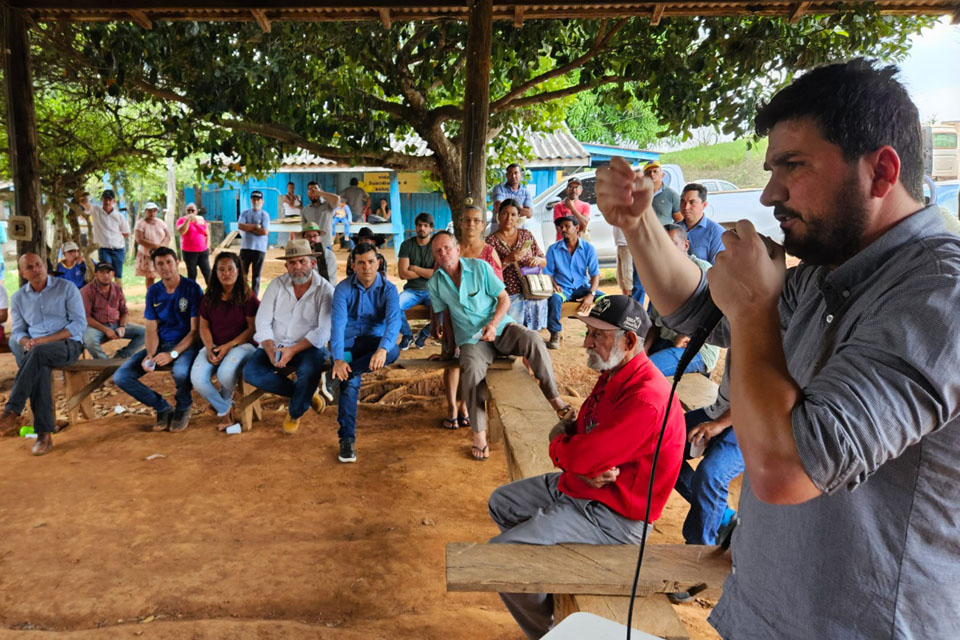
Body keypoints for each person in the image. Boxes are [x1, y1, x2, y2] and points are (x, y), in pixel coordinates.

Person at [595, 59, 960, 639]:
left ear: (882, 171)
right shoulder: (831, 272)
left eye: (793, 166)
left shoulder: (940, 294)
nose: (769, 194)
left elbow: (789, 470)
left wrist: (753, 308)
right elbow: (698, 308)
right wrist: (638, 227)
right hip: (769, 613)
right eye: (770, 169)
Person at [488, 294, 686, 639]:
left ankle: (545, 631)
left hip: (614, 517)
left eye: (598, 335)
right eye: (589, 332)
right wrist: (577, 455)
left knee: (502, 559)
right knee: (501, 503)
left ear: (628, 341)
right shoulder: (616, 372)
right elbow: (580, 431)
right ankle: (546, 575)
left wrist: (565, 447)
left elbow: (578, 451)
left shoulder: (646, 397)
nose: (586, 343)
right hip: (582, 488)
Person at [428, 231, 570, 461]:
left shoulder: (480, 268)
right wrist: (448, 350)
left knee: (532, 339)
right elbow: (447, 316)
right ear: (435, 256)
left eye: (447, 248)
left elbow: (504, 298)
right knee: (471, 370)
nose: (443, 253)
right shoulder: (435, 283)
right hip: (472, 341)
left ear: (457, 249)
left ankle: (555, 399)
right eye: (438, 251)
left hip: (501, 328)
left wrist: (493, 325)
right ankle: (479, 435)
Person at [242, 240, 333, 435]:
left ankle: (295, 411)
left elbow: (323, 331)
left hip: (308, 347)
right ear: (286, 266)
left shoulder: (325, 290)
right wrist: (271, 349)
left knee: (309, 371)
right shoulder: (277, 285)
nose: (297, 267)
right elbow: (263, 321)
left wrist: (291, 351)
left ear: (313, 263)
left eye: (302, 261)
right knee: (251, 373)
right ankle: (305, 395)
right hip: (275, 344)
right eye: (292, 263)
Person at [1, 254, 86, 456]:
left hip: (68, 345)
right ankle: (44, 435)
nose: (36, 269)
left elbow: (78, 324)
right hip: (37, 350)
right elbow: (19, 330)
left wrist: (45, 341)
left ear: (45, 266)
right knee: (38, 364)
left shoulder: (66, 288)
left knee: (37, 354)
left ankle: (12, 411)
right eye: (30, 267)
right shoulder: (19, 297)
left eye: (39, 265)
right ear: (23, 273)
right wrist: (25, 341)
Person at [113, 247, 202, 433]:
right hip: (161, 345)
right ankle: (162, 406)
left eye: (169, 262)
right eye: (160, 264)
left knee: (180, 372)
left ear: (177, 263)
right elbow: (151, 327)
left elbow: (195, 331)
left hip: (186, 346)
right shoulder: (153, 291)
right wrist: (151, 354)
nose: (165, 267)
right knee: (121, 377)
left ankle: (183, 407)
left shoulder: (192, 288)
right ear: (154, 267)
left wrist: (172, 354)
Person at [330, 243, 402, 463]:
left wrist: (382, 348)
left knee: (393, 350)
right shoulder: (343, 289)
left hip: (373, 344)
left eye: (371, 262)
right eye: (360, 263)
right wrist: (339, 359)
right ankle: (347, 440)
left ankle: (343, 375)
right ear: (353, 265)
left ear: (378, 263)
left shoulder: (389, 290)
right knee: (349, 384)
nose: (366, 268)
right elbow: (338, 326)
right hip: (350, 344)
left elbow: (393, 322)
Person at [437, 205, 505, 430]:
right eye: (467, 220)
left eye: (476, 220)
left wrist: (492, 323)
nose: (471, 224)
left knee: (471, 363)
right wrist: (435, 320)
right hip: (452, 317)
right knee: (451, 361)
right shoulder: (447, 248)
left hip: (480, 321)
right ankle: (452, 408)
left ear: (483, 225)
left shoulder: (488, 252)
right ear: (460, 223)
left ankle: (466, 406)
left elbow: (498, 292)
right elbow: (438, 286)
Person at [675, 355, 741, 546]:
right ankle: (722, 515)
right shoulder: (739, 328)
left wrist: (719, 424)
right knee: (660, 445)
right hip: (719, 411)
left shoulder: (776, 335)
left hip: (753, 425)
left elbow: (760, 397)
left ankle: (699, 550)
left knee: (711, 475)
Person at [190, 252, 259, 431]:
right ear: (215, 273)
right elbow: (203, 327)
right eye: (221, 269)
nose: (226, 273)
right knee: (197, 379)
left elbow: (252, 329)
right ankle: (225, 408)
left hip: (243, 346)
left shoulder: (247, 297)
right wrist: (209, 348)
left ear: (238, 272)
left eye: (230, 269)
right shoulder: (209, 297)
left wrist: (229, 346)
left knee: (225, 374)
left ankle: (223, 411)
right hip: (214, 345)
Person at [644, 225, 720, 377]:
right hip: (665, 342)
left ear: (686, 245)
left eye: (671, 244)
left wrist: (687, 337)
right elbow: (654, 322)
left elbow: (717, 317)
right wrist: (644, 349)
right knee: (628, 365)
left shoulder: (702, 271)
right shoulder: (660, 277)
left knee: (645, 373)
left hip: (697, 349)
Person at [486, 199, 548, 332]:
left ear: (518, 217)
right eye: (505, 213)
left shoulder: (526, 235)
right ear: (498, 214)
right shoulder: (491, 241)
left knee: (532, 334)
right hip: (509, 295)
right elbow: (488, 274)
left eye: (513, 214)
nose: (509, 218)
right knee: (513, 333)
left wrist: (537, 259)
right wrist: (507, 261)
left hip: (533, 292)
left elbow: (544, 261)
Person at [543, 216, 603, 349]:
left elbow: (595, 274)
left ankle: (594, 332)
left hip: (583, 287)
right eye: (561, 227)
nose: (563, 229)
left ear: (577, 228)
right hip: (563, 289)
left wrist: (591, 294)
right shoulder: (553, 249)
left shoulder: (588, 248)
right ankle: (555, 333)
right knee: (554, 299)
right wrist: (554, 284)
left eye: (566, 226)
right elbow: (548, 272)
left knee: (606, 300)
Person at [80, 262, 146, 360]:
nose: (106, 275)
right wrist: (105, 329)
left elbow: (124, 311)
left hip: (115, 323)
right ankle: (105, 364)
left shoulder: (117, 288)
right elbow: (86, 317)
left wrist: (122, 326)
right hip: (95, 326)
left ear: (113, 274)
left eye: (109, 272)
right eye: (102, 272)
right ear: (96, 274)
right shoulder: (87, 291)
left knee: (145, 332)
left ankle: (119, 358)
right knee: (89, 341)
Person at [396, 212, 435, 350]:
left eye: (426, 225)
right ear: (415, 227)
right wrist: (426, 272)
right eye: (419, 225)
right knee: (395, 306)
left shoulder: (436, 246)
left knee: (445, 309)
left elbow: (436, 274)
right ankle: (407, 335)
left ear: (431, 228)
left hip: (432, 291)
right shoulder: (407, 245)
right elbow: (402, 273)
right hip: (411, 291)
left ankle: (424, 334)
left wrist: (415, 268)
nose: (422, 228)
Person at [678, 183, 725, 264]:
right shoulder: (674, 229)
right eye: (683, 201)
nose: (686, 207)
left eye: (692, 202)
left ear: (704, 205)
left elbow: (717, 269)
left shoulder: (716, 232)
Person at [90, 189, 130, 282]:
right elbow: (87, 208)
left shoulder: (119, 216)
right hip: (104, 249)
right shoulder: (96, 211)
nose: (107, 202)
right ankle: (106, 295)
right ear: (101, 199)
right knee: (106, 274)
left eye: (109, 200)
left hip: (118, 249)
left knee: (118, 275)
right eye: (105, 199)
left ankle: (118, 295)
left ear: (113, 201)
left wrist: (115, 237)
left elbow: (126, 233)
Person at [237, 190, 270, 295]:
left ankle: (254, 298)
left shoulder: (265, 215)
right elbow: (240, 226)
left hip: (259, 249)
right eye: (254, 199)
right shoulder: (245, 213)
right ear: (251, 200)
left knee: (256, 276)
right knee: (242, 274)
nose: (256, 201)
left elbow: (264, 231)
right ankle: (242, 294)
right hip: (245, 248)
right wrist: (256, 226)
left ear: (262, 201)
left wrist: (248, 227)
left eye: (258, 199)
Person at [134, 201, 171, 289]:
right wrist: (155, 245)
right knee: (150, 277)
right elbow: (139, 240)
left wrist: (163, 245)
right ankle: (150, 297)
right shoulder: (140, 223)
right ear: (145, 211)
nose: (152, 213)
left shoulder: (160, 222)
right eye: (150, 211)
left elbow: (168, 236)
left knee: (165, 275)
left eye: (154, 211)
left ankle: (164, 296)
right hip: (147, 254)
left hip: (161, 253)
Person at [176, 202, 211, 285]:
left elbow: (207, 234)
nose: (191, 212)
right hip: (189, 252)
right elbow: (182, 231)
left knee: (207, 272)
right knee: (192, 273)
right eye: (188, 210)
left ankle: (212, 293)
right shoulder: (181, 220)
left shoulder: (201, 220)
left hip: (203, 251)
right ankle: (192, 293)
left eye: (193, 210)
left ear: (196, 211)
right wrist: (188, 220)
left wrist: (207, 247)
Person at [301, 181, 340, 249]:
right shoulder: (305, 210)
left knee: (327, 259)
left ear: (320, 191)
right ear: (308, 193)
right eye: (310, 190)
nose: (313, 192)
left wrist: (319, 193)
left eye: (315, 189)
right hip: (311, 245)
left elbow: (337, 199)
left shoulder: (328, 205)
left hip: (326, 244)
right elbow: (304, 230)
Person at [643, 160, 681, 225]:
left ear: (662, 175)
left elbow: (680, 221)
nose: (652, 174)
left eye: (655, 171)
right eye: (648, 172)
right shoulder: (638, 195)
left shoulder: (672, 195)